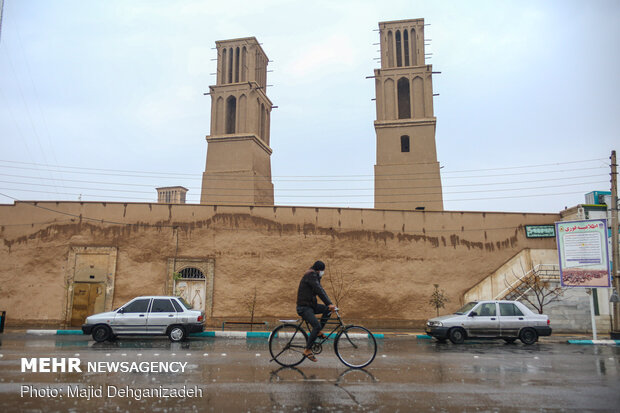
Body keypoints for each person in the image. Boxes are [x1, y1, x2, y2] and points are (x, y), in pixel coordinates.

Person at [296, 260, 337, 362]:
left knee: (327, 310)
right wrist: (329, 303)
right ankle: (307, 350)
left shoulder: (315, 276)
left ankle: (318, 332)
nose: (323, 272)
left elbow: (321, 290)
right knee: (316, 325)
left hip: (311, 306)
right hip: (304, 307)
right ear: (319, 270)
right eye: (323, 271)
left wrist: (330, 305)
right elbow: (319, 290)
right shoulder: (311, 275)